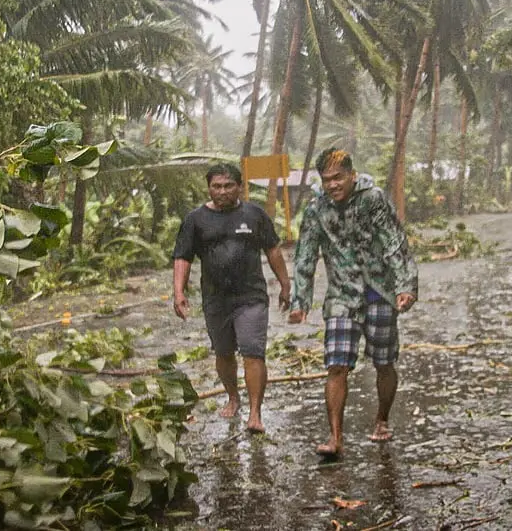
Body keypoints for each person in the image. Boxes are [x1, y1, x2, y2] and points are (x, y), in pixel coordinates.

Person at [288, 148, 418, 456]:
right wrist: (300, 300)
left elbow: (394, 243)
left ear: (351, 175)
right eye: (327, 179)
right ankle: (335, 438)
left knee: (384, 363)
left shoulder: (372, 199)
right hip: (342, 296)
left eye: (338, 178)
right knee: (336, 365)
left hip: (379, 292)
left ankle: (382, 419)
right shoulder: (317, 209)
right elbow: (305, 254)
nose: (333, 185)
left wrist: (405, 286)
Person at [172, 162, 291, 433]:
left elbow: (272, 250)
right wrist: (178, 291)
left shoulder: (254, 214)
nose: (222, 191)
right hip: (215, 299)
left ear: (239, 187)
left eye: (228, 186)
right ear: (209, 188)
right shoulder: (195, 220)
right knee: (224, 353)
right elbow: (183, 257)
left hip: (251, 297)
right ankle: (233, 397)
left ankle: (255, 413)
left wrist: (285, 283)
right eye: (216, 186)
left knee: (252, 351)